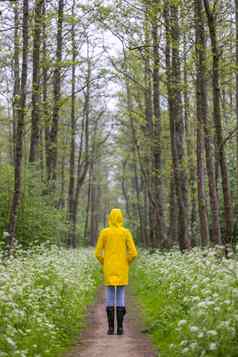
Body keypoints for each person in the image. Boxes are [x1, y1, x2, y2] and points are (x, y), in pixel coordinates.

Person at [95, 208, 138, 335]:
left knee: (109, 297)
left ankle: (110, 329)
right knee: (120, 297)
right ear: (121, 218)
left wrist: (105, 262)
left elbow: (97, 253)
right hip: (122, 269)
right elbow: (134, 253)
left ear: (110, 218)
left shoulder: (105, 232)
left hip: (109, 269)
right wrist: (127, 262)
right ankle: (120, 329)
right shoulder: (125, 232)